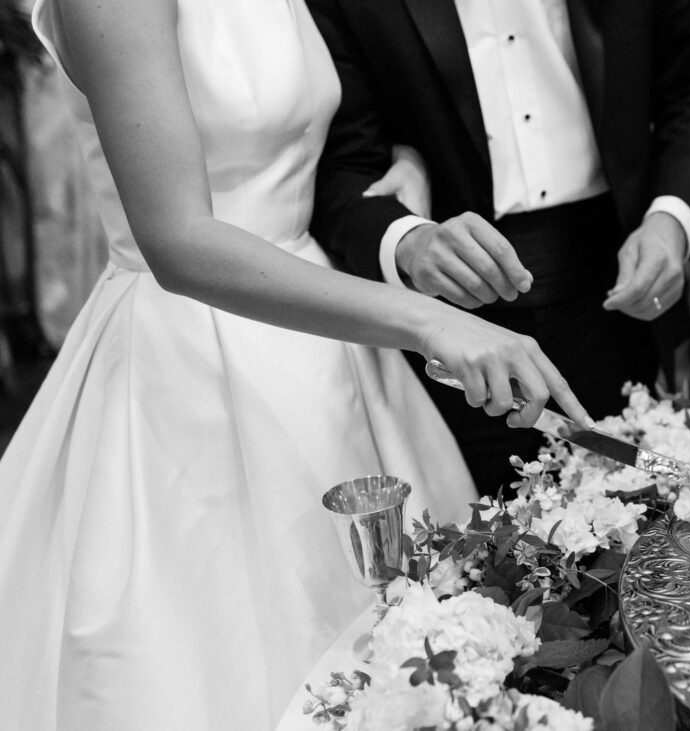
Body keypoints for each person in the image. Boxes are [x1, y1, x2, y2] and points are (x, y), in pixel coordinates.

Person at [0, 0, 592, 729]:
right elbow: (178, 242)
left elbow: (325, 130)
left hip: (333, 350)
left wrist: (405, 172)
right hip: (189, 364)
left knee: (406, 657)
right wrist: (426, 320)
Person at [307, 0, 690, 496]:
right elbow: (337, 166)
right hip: (443, 321)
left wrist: (671, 222)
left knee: (637, 522)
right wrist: (408, 241)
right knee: (470, 550)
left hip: (616, 293)